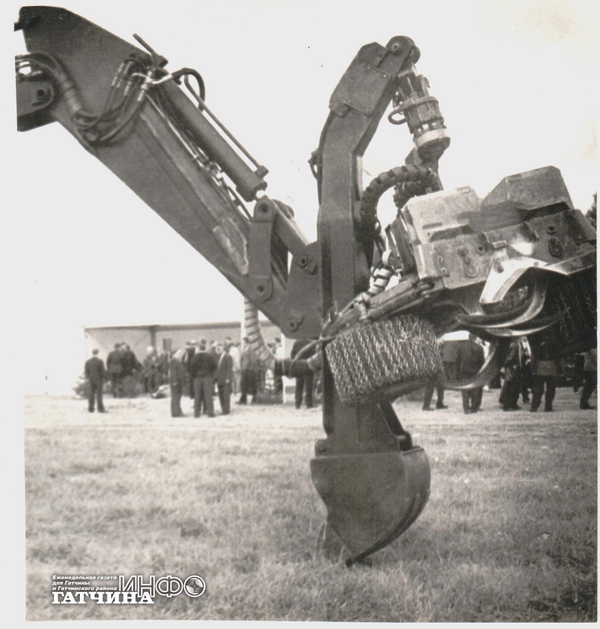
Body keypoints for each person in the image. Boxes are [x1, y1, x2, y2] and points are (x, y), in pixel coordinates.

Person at [530, 343, 564, 412]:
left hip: (539, 369)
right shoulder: (555, 346)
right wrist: (562, 370)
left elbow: (533, 357)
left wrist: (533, 369)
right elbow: (560, 359)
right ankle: (548, 407)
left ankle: (534, 406)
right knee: (550, 390)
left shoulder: (538, 346)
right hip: (552, 369)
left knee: (538, 389)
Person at [457, 335, 485, 414]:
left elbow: (458, 360)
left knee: (465, 390)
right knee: (475, 389)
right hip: (475, 371)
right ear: (475, 338)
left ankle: (466, 408)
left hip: (464, 371)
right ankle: (474, 407)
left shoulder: (461, 347)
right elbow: (482, 361)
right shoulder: (479, 348)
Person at [190, 339, 217, 417]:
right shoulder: (209, 356)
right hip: (207, 377)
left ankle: (196, 413)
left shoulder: (195, 357)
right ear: (205, 348)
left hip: (197, 378)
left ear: (198, 348)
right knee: (208, 395)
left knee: (197, 395)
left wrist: (195, 376)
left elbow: (191, 368)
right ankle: (210, 412)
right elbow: (214, 367)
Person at [291, 338, 315, 409]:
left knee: (299, 385)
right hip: (308, 365)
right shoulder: (310, 342)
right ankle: (309, 403)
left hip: (299, 366)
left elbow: (292, 354)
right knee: (308, 386)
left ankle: (297, 403)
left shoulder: (296, 342)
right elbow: (313, 354)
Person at [499, 339, 521, 411]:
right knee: (510, 386)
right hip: (512, 368)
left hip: (513, 367)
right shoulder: (515, 345)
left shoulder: (515, 344)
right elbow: (510, 357)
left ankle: (512, 404)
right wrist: (505, 365)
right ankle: (507, 405)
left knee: (513, 386)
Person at [238, 338, 260, 404]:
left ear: (248, 343)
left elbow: (253, 360)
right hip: (244, 370)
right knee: (243, 385)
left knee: (252, 385)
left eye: (244, 343)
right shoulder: (244, 350)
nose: (243, 344)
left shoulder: (251, 350)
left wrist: (249, 368)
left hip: (250, 370)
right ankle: (243, 399)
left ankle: (254, 399)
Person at [84, 349, 107, 413]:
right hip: (99, 379)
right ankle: (100, 409)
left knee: (91, 394)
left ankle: (90, 408)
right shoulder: (100, 361)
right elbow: (103, 372)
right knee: (99, 394)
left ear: (92, 353)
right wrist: (104, 379)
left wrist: (87, 378)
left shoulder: (88, 362)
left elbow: (86, 372)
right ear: (98, 353)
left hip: (91, 379)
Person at [215, 341, 234, 415]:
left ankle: (226, 409)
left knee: (226, 395)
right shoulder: (218, 357)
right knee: (221, 394)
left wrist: (228, 378)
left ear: (224, 349)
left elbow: (229, 368)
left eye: (220, 348)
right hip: (220, 379)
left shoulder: (228, 357)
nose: (218, 349)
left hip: (225, 379)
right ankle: (223, 408)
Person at [168, 349, 186, 417]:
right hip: (175, 382)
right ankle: (176, 413)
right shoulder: (173, 361)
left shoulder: (178, 361)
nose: (180, 354)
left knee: (177, 397)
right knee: (175, 397)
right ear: (174, 354)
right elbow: (173, 372)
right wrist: (174, 381)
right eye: (179, 353)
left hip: (178, 382)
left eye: (181, 353)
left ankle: (178, 411)